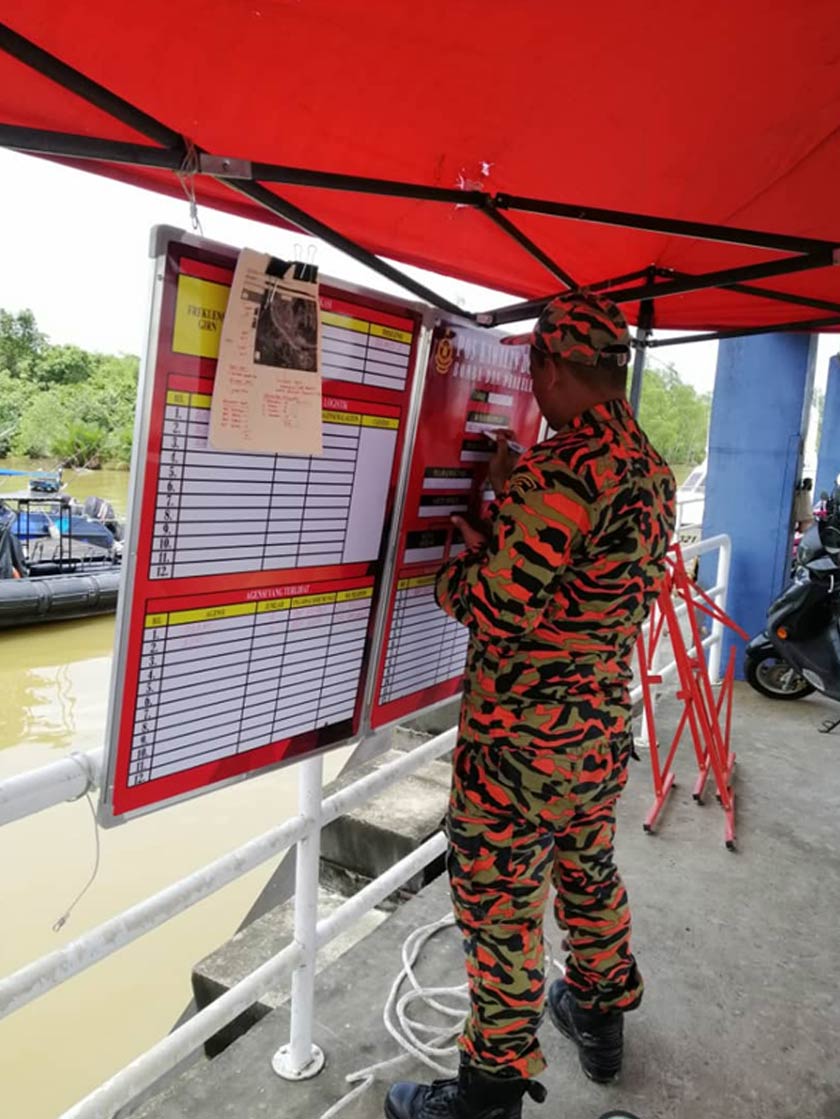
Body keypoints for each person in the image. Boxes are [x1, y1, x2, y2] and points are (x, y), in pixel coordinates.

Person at [385, 292, 676, 1119]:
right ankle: (599, 1011)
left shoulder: (563, 470)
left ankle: (489, 1093)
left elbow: (500, 606)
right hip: (596, 731)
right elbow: (594, 586)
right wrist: (519, 499)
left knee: (501, 907)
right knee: (587, 873)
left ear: (550, 365)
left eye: (534, 370)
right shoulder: (650, 470)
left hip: (520, 746)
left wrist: (448, 573)